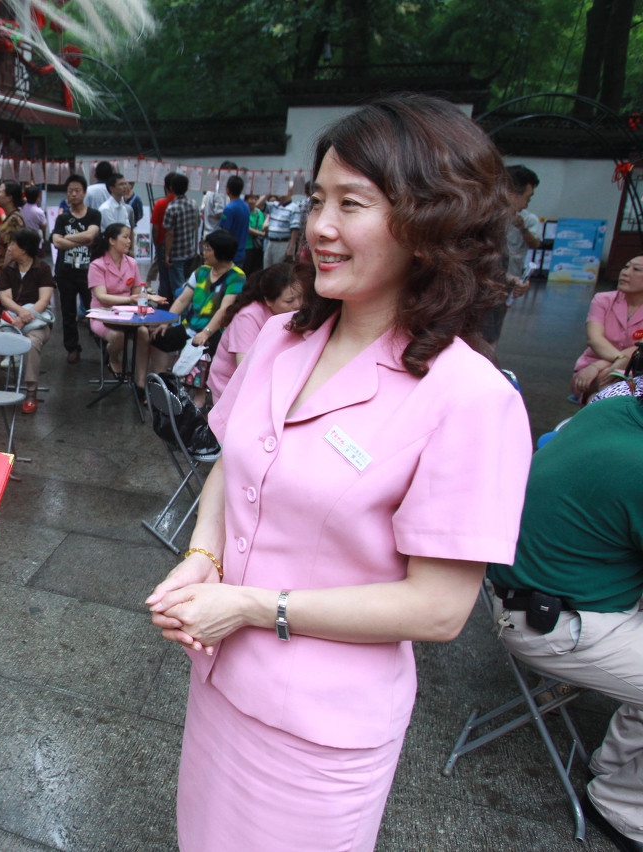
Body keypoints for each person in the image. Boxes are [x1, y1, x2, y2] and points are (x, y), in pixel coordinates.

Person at [147, 94, 531, 851]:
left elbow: (438, 610)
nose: (318, 226)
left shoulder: (471, 398)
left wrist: (252, 605)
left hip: (320, 732)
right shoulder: (285, 340)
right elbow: (234, 459)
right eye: (317, 198)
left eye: (351, 203)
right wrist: (202, 556)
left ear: (431, 223)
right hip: (221, 684)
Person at [488, 392, 643, 852]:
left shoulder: (614, 409)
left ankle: (615, 766)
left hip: (531, 594)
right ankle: (623, 807)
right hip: (552, 621)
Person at [145, 229, 244, 405]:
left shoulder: (236, 276)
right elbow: (183, 299)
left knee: (203, 350)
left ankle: (198, 400)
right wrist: (167, 322)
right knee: (157, 338)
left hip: (216, 332)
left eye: (208, 249)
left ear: (220, 251)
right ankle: (163, 387)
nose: (203, 253)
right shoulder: (201, 272)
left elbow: (224, 309)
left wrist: (206, 332)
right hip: (190, 326)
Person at [206, 262, 303, 403]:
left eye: (301, 297)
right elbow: (246, 368)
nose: (298, 305)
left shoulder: (289, 314)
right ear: (268, 300)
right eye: (289, 301)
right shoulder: (247, 317)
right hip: (231, 389)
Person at [88, 222, 166, 397]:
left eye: (129, 237)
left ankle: (140, 383)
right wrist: (129, 298)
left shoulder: (131, 263)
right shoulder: (97, 265)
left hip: (128, 313)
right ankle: (113, 357)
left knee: (144, 333)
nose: (129, 241)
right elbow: (101, 296)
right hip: (102, 314)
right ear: (112, 241)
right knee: (118, 336)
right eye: (125, 236)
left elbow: (137, 293)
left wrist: (147, 297)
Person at [0, 227, 55, 414]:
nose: (9, 248)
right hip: (12, 318)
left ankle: (30, 391)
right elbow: (5, 298)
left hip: (37, 320)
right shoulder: (8, 269)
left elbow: (44, 300)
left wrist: (26, 317)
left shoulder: (42, 269)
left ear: (24, 248)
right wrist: (20, 314)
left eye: (13, 244)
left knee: (32, 342)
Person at [481, 165, 540, 347]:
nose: (525, 205)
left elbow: (535, 243)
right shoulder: (483, 221)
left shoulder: (524, 220)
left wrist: (512, 281)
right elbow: (480, 267)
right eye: (526, 198)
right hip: (481, 301)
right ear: (511, 193)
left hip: (499, 290)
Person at [571, 255, 643, 400]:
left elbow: (639, 348)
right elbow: (594, 339)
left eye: (636, 269)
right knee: (607, 382)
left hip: (635, 371)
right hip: (590, 367)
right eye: (626, 267)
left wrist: (602, 365)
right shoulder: (603, 299)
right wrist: (618, 360)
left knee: (612, 386)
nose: (626, 273)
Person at [51, 174, 101, 364]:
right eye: (70, 191)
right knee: (68, 312)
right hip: (65, 272)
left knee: (94, 310)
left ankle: (103, 347)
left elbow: (91, 236)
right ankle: (72, 347)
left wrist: (66, 239)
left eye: (77, 190)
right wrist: (69, 240)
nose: (73, 194)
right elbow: (56, 242)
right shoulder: (62, 218)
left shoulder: (94, 214)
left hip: (89, 272)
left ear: (84, 192)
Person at [162, 173, 200, 303]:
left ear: (171, 188)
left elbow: (169, 233)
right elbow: (197, 225)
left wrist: (167, 255)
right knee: (190, 286)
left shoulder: (171, 208)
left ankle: (179, 319)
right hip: (190, 251)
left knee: (178, 289)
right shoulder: (193, 204)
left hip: (176, 253)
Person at [0, 180, 26, 283]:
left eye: (0, 192)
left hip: (8, 275)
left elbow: (11, 251)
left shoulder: (14, 220)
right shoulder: (9, 217)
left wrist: (4, 275)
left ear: (9, 198)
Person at [262, 189, 302, 267]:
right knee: (266, 268)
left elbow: (295, 229)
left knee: (278, 269)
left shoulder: (294, 207)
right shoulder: (274, 205)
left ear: (290, 192)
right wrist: (268, 192)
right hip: (270, 241)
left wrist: (291, 248)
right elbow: (258, 205)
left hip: (283, 243)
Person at [218, 175, 250, 267]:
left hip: (230, 254)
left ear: (227, 189)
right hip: (242, 251)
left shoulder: (229, 208)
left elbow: (224, 232)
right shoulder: (246, 206)